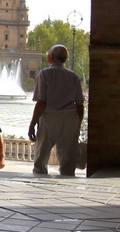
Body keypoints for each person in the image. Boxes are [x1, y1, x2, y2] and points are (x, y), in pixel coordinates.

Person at [28, 44, 83, 176]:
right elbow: (80, 104)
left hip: (50, 117)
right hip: (70, 118)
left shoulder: (45, 74)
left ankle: (40, 185)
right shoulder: (73, 76)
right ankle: (67, 184)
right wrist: (77, 125)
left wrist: (33, 123)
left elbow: (41, 102)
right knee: (68, 160)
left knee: (41, 158)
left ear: (51, 57)